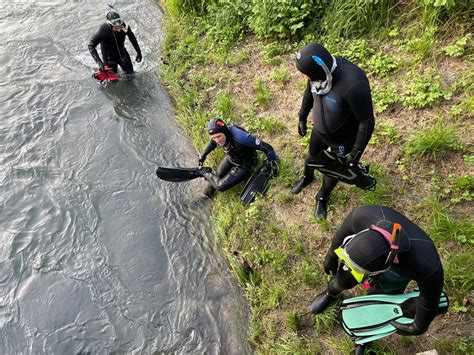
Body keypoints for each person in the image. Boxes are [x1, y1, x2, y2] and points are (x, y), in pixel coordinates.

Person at [309, 205, 444, 336]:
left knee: (383, 298)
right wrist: (332, 255)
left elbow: (430, 298)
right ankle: (331, 292)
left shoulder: (425, 264)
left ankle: (369, 323)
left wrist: (419, 325)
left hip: (396, 273)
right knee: (343, 279)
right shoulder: (364, 215)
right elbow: (342, 232)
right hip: (372, 263)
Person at [292, 43, 375, 220]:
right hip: (320, 131)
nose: (305, 77)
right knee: (311, 157)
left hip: (343, 138)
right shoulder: (318, 73)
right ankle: (307, 178)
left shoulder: (353, 82)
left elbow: (366, 121)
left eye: (306, 74)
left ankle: (321, 196)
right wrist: (302, 116)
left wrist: (355, 153)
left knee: (332, 171)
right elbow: (309, 92)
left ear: (320, 68)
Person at [199, 118, 278, 197]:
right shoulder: (218, 136)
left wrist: (274, 165)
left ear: (225, 131)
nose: (217, 140)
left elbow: (268, 148)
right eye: (214, 138)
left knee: (220, 186)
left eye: (218, 136)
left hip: (244, 165)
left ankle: (204, 172)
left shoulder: (242, 138)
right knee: (216, 176)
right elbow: (212, 144)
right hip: (231, 158)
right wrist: (203, 156)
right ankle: (205, 197)